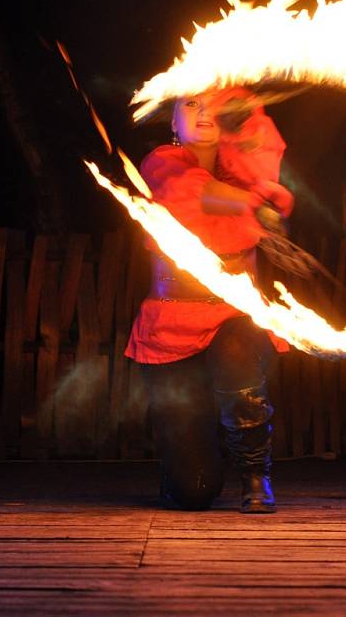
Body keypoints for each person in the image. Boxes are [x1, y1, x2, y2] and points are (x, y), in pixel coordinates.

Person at [125, 87, 293, 513]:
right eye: (190, 104)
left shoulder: (244, 169)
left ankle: (257, 475)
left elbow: (259, 140)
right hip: (171, 331)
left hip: (234, 318)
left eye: (213, 106)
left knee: (237, 349)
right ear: (172, 120)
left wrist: (240, 108)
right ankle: (189, 459)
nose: (203, 113)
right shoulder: (160, 163)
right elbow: (188, 192)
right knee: (194, 491)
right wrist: (254, 202)